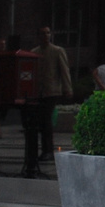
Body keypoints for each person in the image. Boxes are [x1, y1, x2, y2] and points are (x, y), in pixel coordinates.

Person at [35, 26, 72, 160]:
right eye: (43, 33)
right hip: (38, 92)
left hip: (52, 91)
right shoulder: (35, 52)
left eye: (48, 33)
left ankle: (48, 150)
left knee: (46, 121)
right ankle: (45, 149)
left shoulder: (57, 51)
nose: (46, 35)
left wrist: (67, 88)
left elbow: (64, 71)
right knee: (41, 122)